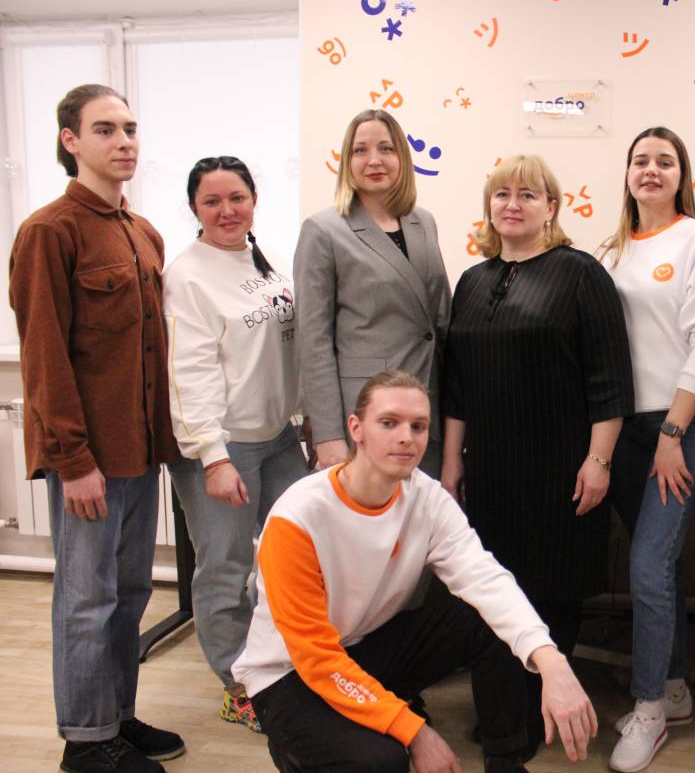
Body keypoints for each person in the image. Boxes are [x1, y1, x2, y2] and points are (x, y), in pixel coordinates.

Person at [231, 369, 598, 773]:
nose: (407, 437)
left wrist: (552, 662)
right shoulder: (298, 517)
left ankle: (506, 763)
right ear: (356, 429)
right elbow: (316, 657)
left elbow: (485, 577)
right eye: (389, 423)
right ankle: (297, 753)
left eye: (418, 426)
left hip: (361, 647)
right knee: (384, 760)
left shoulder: (426, 498)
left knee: (487, 619)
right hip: (290, 676)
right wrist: (414, 731)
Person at [9, 84, 185, 772]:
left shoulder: (142, 232)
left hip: (141, 452)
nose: (124, 142)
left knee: (131, 594)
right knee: (86, 600)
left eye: (130, 128)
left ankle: (116, 716)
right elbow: (44, 357)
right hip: (88, 459)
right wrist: (73, 460)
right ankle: (85, 743)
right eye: (106, 129)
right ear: (71, 141)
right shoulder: (48, 232)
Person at [441, 154, 634, 751]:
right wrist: (452, 461)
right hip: (491, 468)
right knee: (493, 590)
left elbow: (610, 378)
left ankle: (538, 711)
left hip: (561, 467)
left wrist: (599, 460)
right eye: (502, 194)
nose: (513, 204)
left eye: (528, 194)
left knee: (552, 590)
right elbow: (457, 386)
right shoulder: (472, 281)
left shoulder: (581, 274)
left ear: (552, 207)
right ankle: (504, 713)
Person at [599, 126, 695, 772]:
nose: (650, 170)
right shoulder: (612, 250)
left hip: (682, 424)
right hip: (623, 427)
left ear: (683, 176)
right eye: (640, 160)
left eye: (665, 161)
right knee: (661, 566)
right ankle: (674, 686)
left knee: (648, 566)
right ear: (627, 173)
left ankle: (649, 708)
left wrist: (673, 435)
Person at [163, 156, 309, 733]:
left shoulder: (261, 258)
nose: (227, 211)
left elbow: (284, 351)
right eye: (212, 201)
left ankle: (280, 665)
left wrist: (306, 418)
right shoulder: (188, 276)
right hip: (223, 448)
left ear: (253, 200)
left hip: (278, 438)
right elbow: (190, 371)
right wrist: (213, 457)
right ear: (194, 208)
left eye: (237, 198)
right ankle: (238, 685)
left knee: (298, 554)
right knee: (225, 568)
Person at [295, 108, 451, 475]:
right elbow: (313, 340)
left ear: (402, 157)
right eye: (360, 150)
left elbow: (438, 318)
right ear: (347, 162)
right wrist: (328, 434)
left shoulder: (423, 221)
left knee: (419, 511)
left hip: (425, 402)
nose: (374, 160)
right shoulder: (324, 230)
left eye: (386, 148)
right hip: (366, 410)